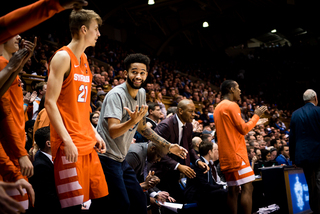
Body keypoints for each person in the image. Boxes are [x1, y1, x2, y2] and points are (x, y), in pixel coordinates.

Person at [96, 53, 187, 214]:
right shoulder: (116, 95)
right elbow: (113, 130)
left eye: (142, 72)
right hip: (106, 158)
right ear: (126, 73)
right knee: (120, 204)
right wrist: (132, 121)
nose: (138, 76)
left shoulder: (142, 93)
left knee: (139, 199)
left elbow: (143, 128)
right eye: (134, 71)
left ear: (146, 74)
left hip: (120, 159)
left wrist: (168, 145)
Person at [45, 9, 108, 213]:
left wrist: (95, 132)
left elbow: (81, 108)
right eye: (95, 29)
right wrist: (67, 141)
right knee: (73, 208)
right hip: (69, 145)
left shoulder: (85, 60)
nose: (98, 34)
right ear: (83, 29)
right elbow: (50, 103)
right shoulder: (63, 57)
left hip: (87, 142)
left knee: (95, 203)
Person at [213, 80, 267, 214]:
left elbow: (235, 128)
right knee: (248, 188)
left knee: (233, 191)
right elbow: (243, 129)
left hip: (226, 156)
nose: (240, 91)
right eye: (238, 88)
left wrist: (254, 122)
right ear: (231, 89)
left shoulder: (218, 107)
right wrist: (256, 116)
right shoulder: (232, 105)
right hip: (237, 155)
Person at [151, 99, 209, 204]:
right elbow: (156, 151)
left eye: (194, 111)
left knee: (180, 202)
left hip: (174, 173)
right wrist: (178, 165)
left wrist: (197, 161)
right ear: (181, 111)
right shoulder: (166, 125)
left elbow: (189, 147)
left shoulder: (188, 125)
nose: (193, 115)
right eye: (190, 111)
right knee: (172, 204)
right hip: (159, 173)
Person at [289, 89, 320, 213]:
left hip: (303, 156)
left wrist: (293, 158)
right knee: (318, 183)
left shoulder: (295, 114)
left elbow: (292, 138)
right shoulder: (319, 111)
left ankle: (314, 209)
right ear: (315, 98)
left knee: (311, 185)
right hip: (318, 154)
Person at [125, 142, 175, 212]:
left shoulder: (148, 155)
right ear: (152, 149)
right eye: (158, 156)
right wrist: (148, 199)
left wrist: (155, 193)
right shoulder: (135, 155)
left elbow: (142, 180)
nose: (159, 160)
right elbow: (125, 183)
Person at [184, 141, 227, 213]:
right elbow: (205, 186)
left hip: (204, 191)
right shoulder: (199, 165)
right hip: (196, 194)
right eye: (214, 150)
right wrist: (223, 187)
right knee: (224, 193)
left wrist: (225, 186)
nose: (217, 152)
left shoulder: (207, 163)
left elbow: (212, 183)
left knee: (227, 192)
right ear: (209, 152)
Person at [29, 126, 61, 214]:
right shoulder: (41, 166)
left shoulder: (46, 159)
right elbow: (47, 197)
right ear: (49, 143)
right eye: (58, 138)